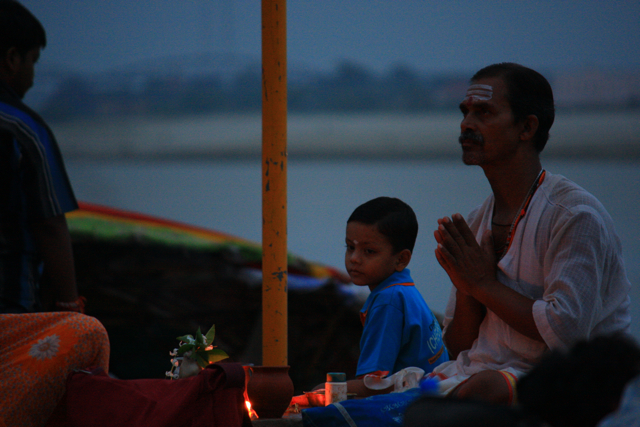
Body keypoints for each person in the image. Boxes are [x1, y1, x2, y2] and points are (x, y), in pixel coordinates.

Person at [430, 63, 631, 404]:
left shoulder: (574, 216)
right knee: (370, 389)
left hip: (565, 386)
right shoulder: (480, 219)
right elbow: (459, 348)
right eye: (465, 112)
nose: (466, 124)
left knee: (483, 389)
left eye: (484, 112)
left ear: (526, 127)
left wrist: (484, 285)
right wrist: (467, 289)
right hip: (474, 375)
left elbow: (567, 333)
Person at [0, 0, 83, 314]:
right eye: (33, 60)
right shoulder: (23, 129)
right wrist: (69, 306)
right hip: (10, 306)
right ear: (12, 59)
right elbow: (50, 224)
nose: (34, 77)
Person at [344, 197, 448, 397]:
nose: (354, 258)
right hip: (435, 397)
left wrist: (323, 391)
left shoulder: (387, 301)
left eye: (369, 251)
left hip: (412, 404)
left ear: (401, 259)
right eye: (350, 247)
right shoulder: (404, 291)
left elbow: (374, 385)